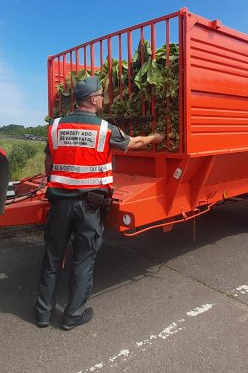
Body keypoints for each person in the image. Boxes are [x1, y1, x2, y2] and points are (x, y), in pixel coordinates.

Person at [35, 75, 163, 330]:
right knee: (83, 260)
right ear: (93, 100)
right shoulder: (104, 129)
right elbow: (134, 143)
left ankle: (42, 314)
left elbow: (49, 161)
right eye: (101, 95)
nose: (103, 98)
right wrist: (154, 138)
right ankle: (73, 316)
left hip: (60, 204)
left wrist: (56, 182)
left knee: (52, 257)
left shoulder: (56, 126)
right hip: (89, 207)